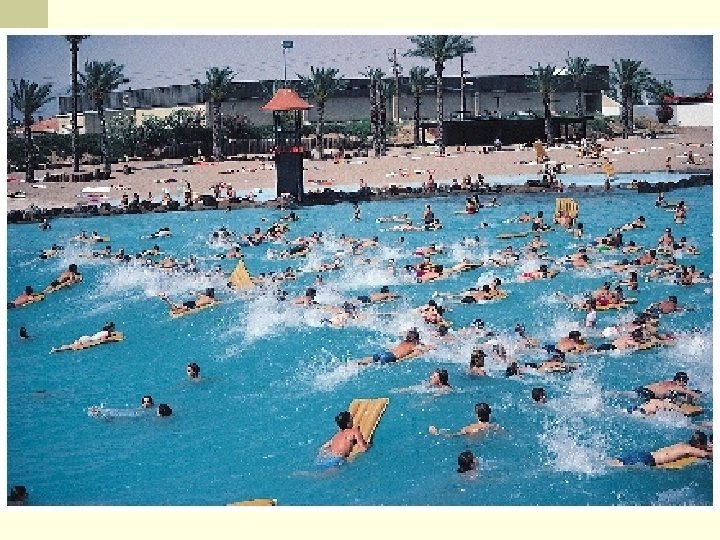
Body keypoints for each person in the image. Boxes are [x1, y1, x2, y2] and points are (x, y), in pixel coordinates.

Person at [609, 431, 712, 467]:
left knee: (612, 463)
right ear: (699, 444)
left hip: (646, 455)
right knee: (613, 466)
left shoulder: (682, 444)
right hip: (646, 460)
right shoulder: (689, 449)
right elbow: (706, 455)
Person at [356, 328, 428, 365]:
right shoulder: (413, 346)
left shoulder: (403, 342)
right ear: (416, 340)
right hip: (390, 357)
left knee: (369, 360)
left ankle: (357, 362)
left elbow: (403, 333)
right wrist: (399, 361)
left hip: (384, 353)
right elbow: (412, 355)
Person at [429, 402, 499, 436]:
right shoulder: (495, 427)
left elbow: (453, 435)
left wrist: (436, 432)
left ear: (477, 415)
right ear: (489, 413)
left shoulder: (470, 428)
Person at [637, 372, 701, 402]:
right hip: (648, 394)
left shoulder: (669, 382)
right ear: (678, 381)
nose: (685, 384)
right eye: (684, 381)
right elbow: (690, 393)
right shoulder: (676, 386)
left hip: (642, 389)